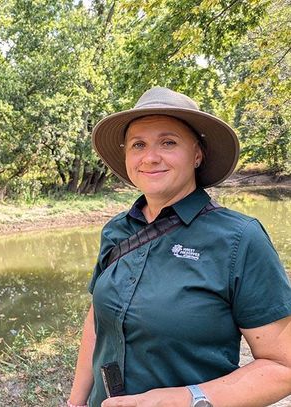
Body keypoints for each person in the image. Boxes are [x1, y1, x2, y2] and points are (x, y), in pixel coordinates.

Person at [67, 87, 291, 407]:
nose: (150, 156)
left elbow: (282, 367)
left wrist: (186, 399)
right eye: (138, 144)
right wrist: (75, 402)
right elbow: (96, 321)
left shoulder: (240, 239)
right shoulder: (116, 230)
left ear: (196, 155)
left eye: (168, 142)